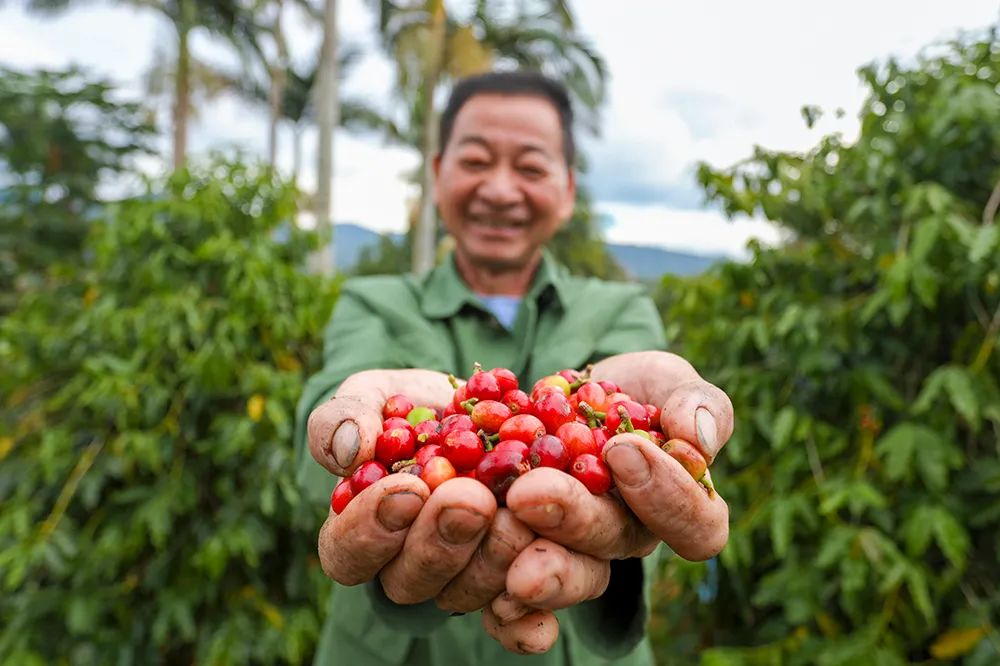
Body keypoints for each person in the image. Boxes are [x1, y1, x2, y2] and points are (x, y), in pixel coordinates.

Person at [293, 70, 734, 665]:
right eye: (476, 161)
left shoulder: (622, 307)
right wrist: (351, 436)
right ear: (438, 173)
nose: (501, 190)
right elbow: (321, 446)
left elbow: (631, 445)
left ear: (569, 188)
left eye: (529, 167)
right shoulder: (371, 301)